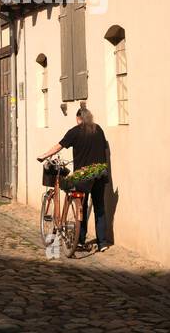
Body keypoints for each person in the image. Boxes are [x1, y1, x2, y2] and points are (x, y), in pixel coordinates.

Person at [37, 106, 113, 252]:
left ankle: (79, 240)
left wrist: (44, 156)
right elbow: (104, 149)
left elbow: (59, 147)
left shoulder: (75, 131)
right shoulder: (98, 130)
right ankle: (102, 243)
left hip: (83, 176)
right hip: (99, 173)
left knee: (81, 207)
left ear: (79, 119)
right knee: (99, 207)